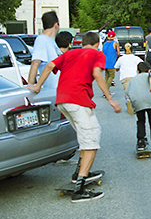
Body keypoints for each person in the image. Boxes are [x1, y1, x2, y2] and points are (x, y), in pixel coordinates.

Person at [27, 31, 122, 202]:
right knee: (92, 140)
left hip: (62, 100)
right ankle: (79, 188)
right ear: (97, 43)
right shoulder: (96, 53)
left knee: (84, 137)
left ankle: (79, 172)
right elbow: (97, 74)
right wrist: (110, 98)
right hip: (78, 100)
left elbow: (48, 66)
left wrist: (37, 86)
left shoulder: (69, 53)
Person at [126, 61, 151, 154]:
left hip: (138, 102)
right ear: (149, 70)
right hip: (150, 101)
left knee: (141, 121)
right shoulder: (150, 75)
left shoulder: (133, 80)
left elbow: (127, 93)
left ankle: (141, 141)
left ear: (137, 71)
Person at [28, 11, 61, 88]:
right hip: (50, 90)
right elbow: (35, 63)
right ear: (56, 25)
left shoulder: (51, 41)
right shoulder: (41, 40)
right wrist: (31, 85)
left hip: (59, 90)